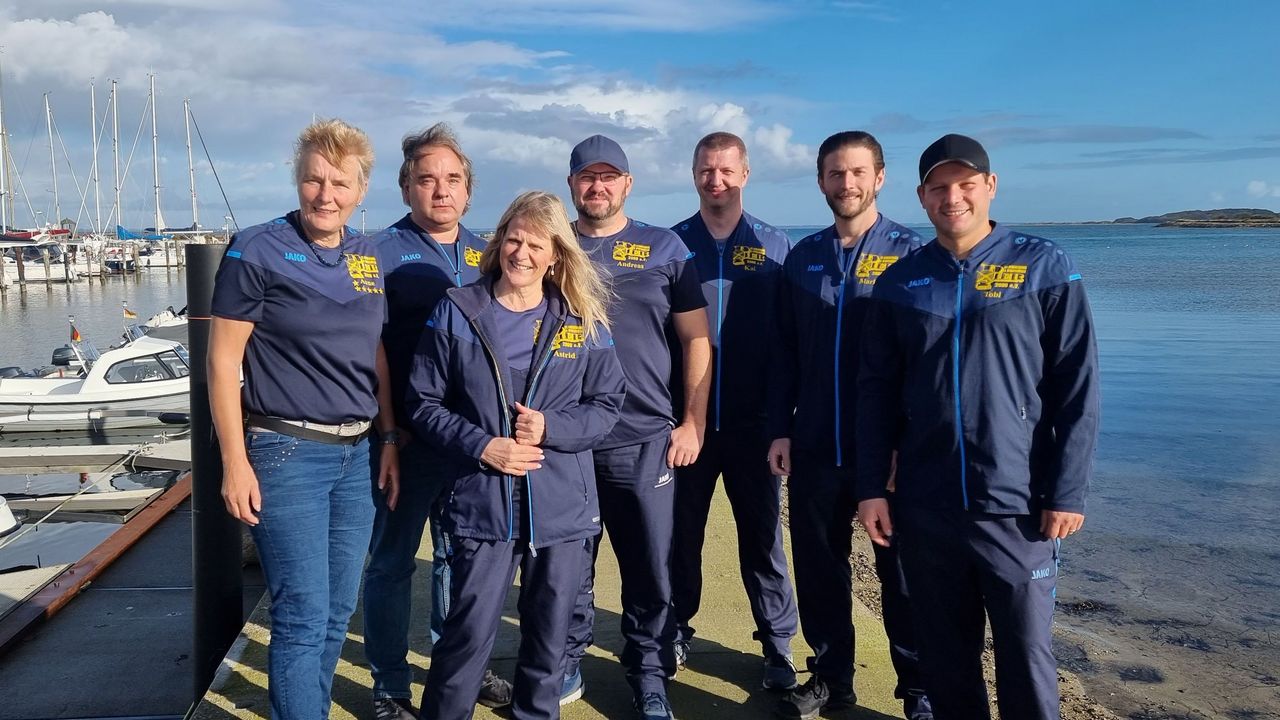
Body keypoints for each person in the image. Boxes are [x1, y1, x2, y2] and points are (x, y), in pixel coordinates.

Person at [856, 134, 1100, 720]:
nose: (953, 197)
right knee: (945, 655)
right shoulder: (899, 281)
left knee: (1025, 651)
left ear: (990, 187)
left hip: (1015, 504)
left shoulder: (1044, 266)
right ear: (921, 197)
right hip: (926, 502)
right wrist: (871, 488)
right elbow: (876, 394)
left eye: (966, 184)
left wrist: (1066, 490)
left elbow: (1077, 388)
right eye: (939, 188)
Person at [406, 190, 626, 720]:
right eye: (513, 239)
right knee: (466, 638)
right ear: (499, 241)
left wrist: (551, 427)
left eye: (536, 244)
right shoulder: (459, 310)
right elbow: (421, 402)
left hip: (562, 509)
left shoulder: (581, 319)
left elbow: (607, 405)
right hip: (483, 504)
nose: (521, 253)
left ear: (557, 255)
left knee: (549, 645)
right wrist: (484, 445)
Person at [208, 118, 399, 720]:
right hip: (286, 451)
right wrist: (234, 462)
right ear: (297, 179)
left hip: (358, 453)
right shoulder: (256, 248)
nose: (326, 194)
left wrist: (390, 436)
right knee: (300, 612)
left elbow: (375, 351)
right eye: (314, 179)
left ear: (361, 190)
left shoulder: (366, 256)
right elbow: (221, 361)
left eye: (340, 183)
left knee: (339, 608)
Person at [768, 131, 932, 720]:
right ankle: (831, 678)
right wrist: (779, 428)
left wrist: (905, 442)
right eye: (836, 174)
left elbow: (924, 362)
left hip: (886, 452)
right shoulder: (803, 257)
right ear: (820, 182)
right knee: (819, 568)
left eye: (858, 172)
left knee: (903, 576)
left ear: (880, 177)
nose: (847, 184)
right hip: (814, 442)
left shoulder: (915, 256)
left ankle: (918, 690)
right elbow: (784, 350)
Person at [560, 134, 711, 720]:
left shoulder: (664, 247)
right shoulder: (551, 244)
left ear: (627, 183)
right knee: (567, 564)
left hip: (645, 437)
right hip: (566, 439)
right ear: (572, 185)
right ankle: (565, 661)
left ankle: (647, 672)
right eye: (586, 177)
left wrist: (692, 422)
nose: (598, 187)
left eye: (609, 176)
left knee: (650, 565)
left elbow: (697, 338)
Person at [364, 123, 511, 719]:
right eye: (427, 179)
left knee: (460, 558)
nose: (440, 190)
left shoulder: (490, 254)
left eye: (453, 179)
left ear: (469, 192)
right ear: (406, 189)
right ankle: (390, 687)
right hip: (405, 437)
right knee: (394, 561)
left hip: (471, 442)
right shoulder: (376, 254)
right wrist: (390, 436)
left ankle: (458, 670)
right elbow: (364, 349)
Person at [669, 131, 799, 690]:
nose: (715, 180)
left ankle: (777, 646)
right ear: (693, 173)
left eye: (726, 170)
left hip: (755, 426)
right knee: (680, 536)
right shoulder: (673, 245)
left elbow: (791, 341)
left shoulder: (775, 246)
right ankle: (675, 629)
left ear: (745, 174)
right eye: (705, 170)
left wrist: (784, 423)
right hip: (687, 424)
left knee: (763, 540)